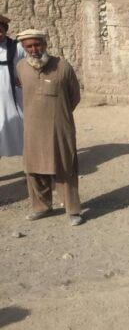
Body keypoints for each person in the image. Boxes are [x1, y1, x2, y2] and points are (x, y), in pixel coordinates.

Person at [15, 29, 83, 226]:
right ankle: (41, 207)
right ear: (23, 48)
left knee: (65, 166)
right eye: (29, 46)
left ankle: (72, 210)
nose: (34, 49)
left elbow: (74, 96)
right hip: (32, 128)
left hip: (60, 127)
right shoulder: (20, 67)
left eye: (37, 44)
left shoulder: (62, 66)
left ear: (45, 44)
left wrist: (58, 113)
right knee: (34, 169)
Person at [0, 14, 25, 159]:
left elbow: (31, 64)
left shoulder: (17, 47)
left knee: (22, 132)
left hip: (14, 100)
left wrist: (24, 78)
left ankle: (32, 171)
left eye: (0, 30)